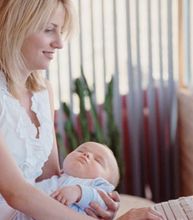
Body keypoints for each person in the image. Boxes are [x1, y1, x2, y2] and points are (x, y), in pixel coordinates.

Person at [0, 0, 163, 219]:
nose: (59, 43)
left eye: (61, 31)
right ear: (16, 27)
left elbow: (50, 179)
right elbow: (16, 193)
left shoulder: (43, 92)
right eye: (49, 30)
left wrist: (94, 200)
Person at [36, 141, 119, 213]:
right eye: (81, 151)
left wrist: (79, 192)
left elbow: (103, 202)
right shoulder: (56, 179)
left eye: (98, 160)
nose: (86, 154)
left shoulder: (98, 185)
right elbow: (32, 192)